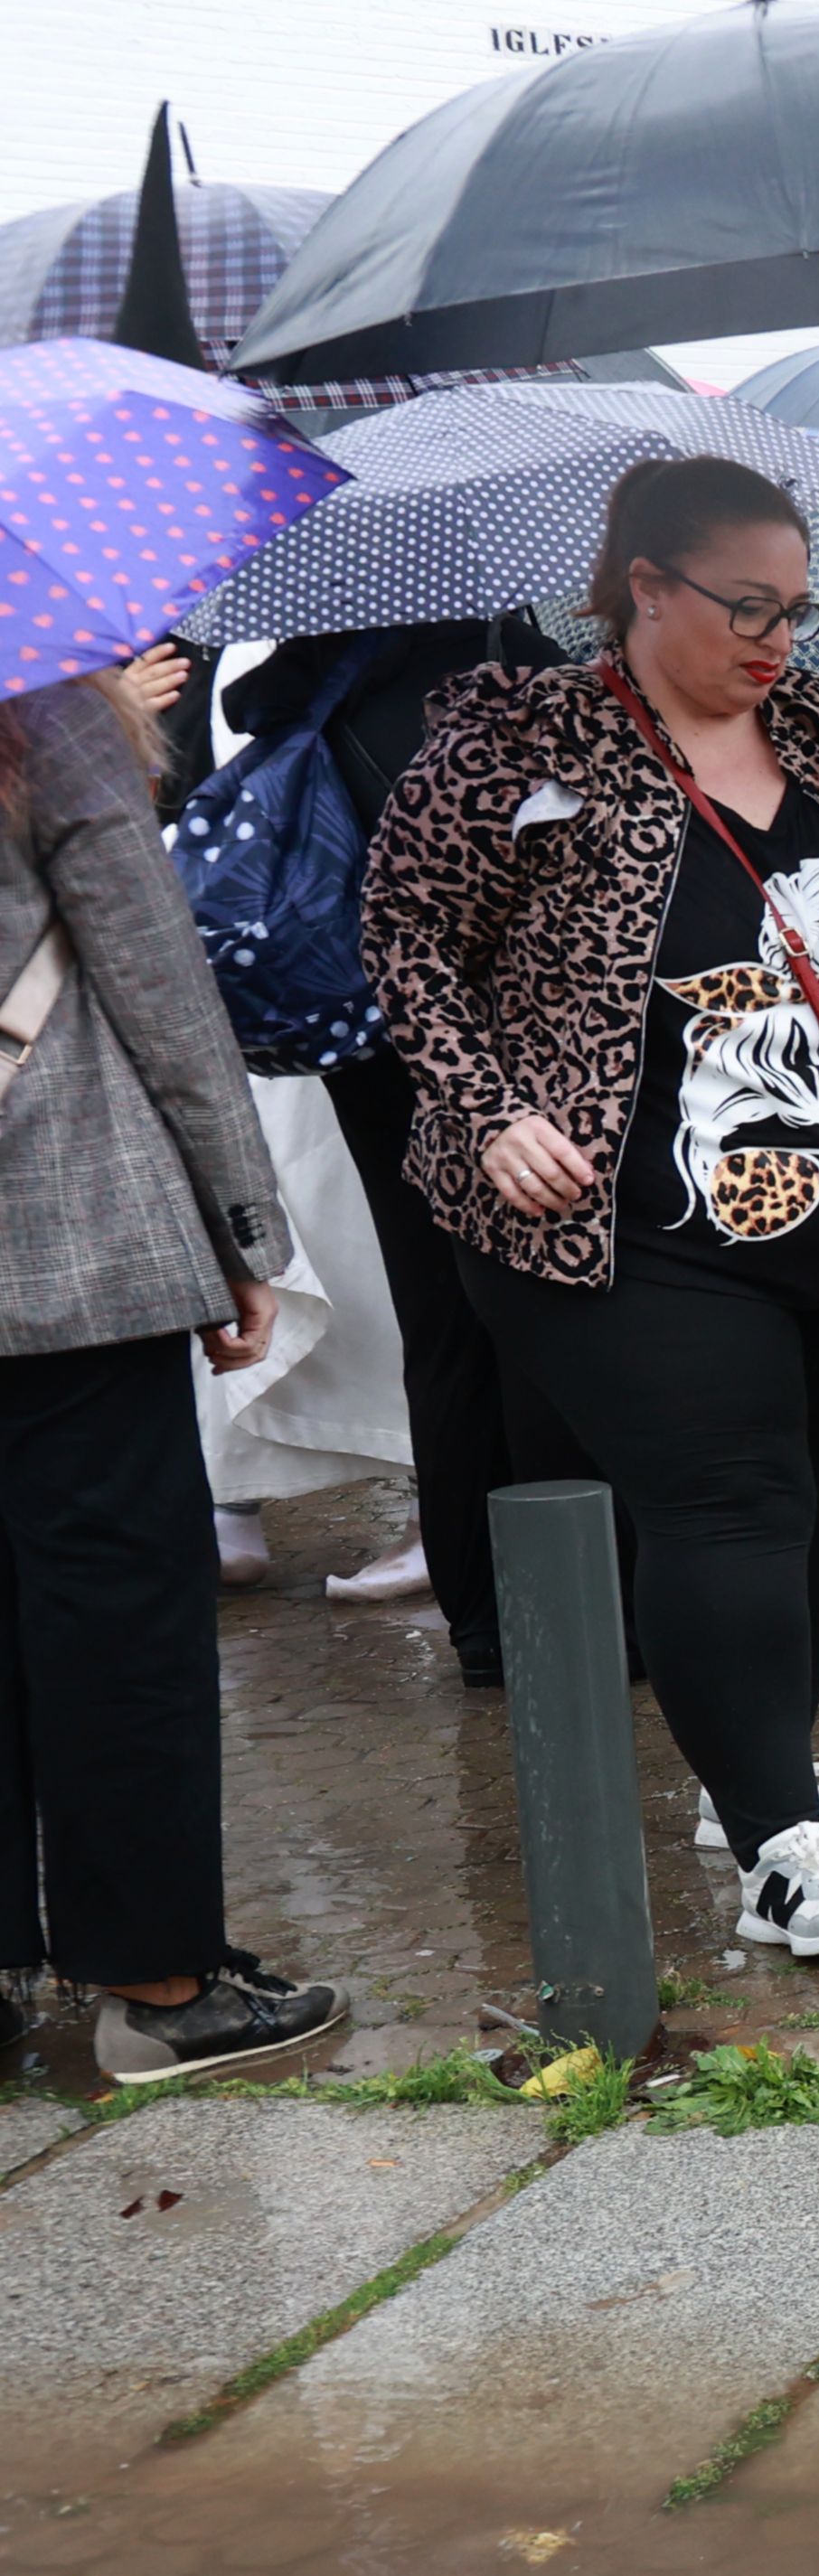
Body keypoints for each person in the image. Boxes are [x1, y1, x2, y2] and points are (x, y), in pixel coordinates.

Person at [364, 455, 819, 1952]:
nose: (778, 638)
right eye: (747, 606)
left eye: (797, 609)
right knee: (733, 1498)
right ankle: (781, 1859)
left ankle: (757, 1774)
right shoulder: (520, 734)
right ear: (645, 586)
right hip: (616, 1218)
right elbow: (405, 941)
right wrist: (490, 1110)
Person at [0, 663, 354, 2082]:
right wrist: (243, 1225)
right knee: (115, 1615)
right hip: (63, 1231)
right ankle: (157, 1979)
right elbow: (152, 970)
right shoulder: (38, 701)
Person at [212, 609, 569, 1674]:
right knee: (533, 1315)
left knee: (438, 1317)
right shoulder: (495, 681)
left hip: (361, 1038)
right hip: (494, 1045)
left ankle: (479, 1615)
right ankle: (554, 1609)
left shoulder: (311, 683)